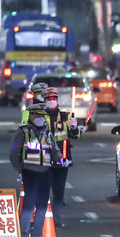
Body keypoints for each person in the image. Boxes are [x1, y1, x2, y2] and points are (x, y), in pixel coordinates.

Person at [9, 104, 61, 237]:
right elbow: (13, 154)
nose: (40, 118)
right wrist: (21, 170)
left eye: (42, 115)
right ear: (31, 115)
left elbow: (55, 150)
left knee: (42, 206)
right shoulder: (23, 132)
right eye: (37, 115)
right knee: (28, 206)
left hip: (45, 173)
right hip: (30, 173)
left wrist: (59, 157)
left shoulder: (47, 132)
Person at [43, 87, 80, 228]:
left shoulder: (66, 116)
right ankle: (44, 218)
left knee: (59, 191)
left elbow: (75, 136)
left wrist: (75, 128)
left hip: (63, 159)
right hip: (45, 159)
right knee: (44, 190)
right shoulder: (39, 116)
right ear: (44, 100)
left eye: (54, 99)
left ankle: (56, 218)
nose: (52, 101)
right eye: (49, 99)